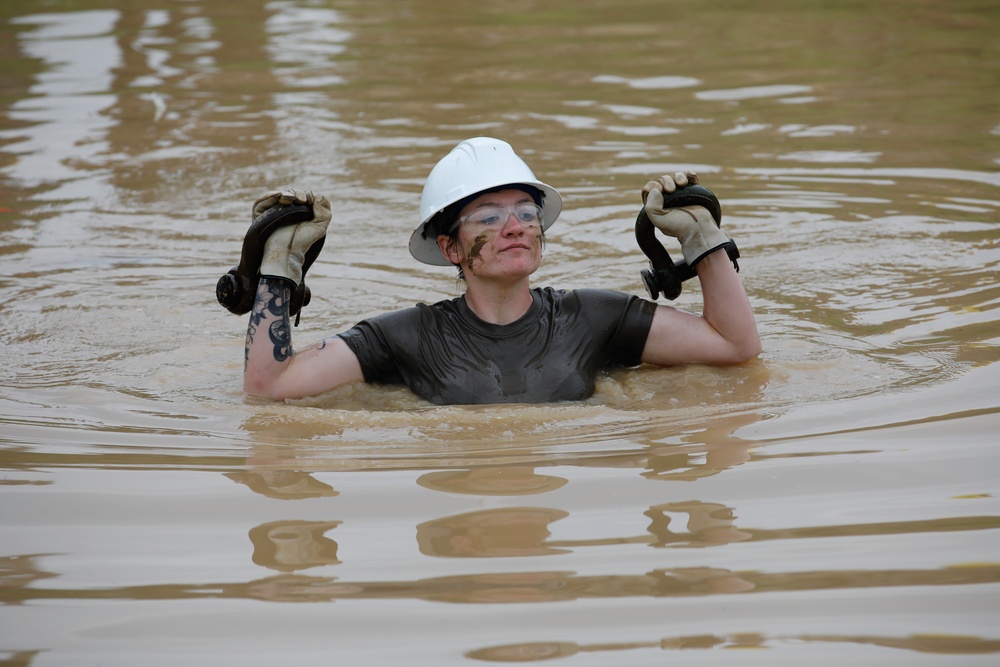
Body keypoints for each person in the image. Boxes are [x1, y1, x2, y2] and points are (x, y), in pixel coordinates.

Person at [240, 137, 760, 405]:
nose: (515, 228)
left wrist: (703, 240)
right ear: (450, 248)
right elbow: (269, 388)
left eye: (527, 214)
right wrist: (278, 267)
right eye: (489, 217)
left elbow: (736, 347)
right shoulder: (409, 336)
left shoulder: (592, 317)